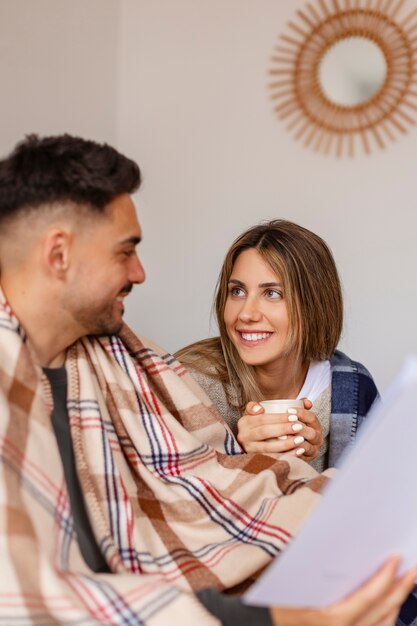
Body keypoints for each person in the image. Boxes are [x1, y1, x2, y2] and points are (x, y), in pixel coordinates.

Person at [0, 134, 415, 626]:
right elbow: (32, 596)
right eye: (125, 251)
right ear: (59, 254)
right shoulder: (185, 373)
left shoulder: (124, 361)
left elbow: (206, 492)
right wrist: (276, 619)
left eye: (273, 294)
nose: (140, 272)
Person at [176, 220, 379, 472]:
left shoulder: (353, 388)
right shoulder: (187, 384)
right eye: (237, 291)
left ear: (314, 306)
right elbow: (170, 502)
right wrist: (241, 457)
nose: (246, 314)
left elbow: (381, 499)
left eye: (272, 293)